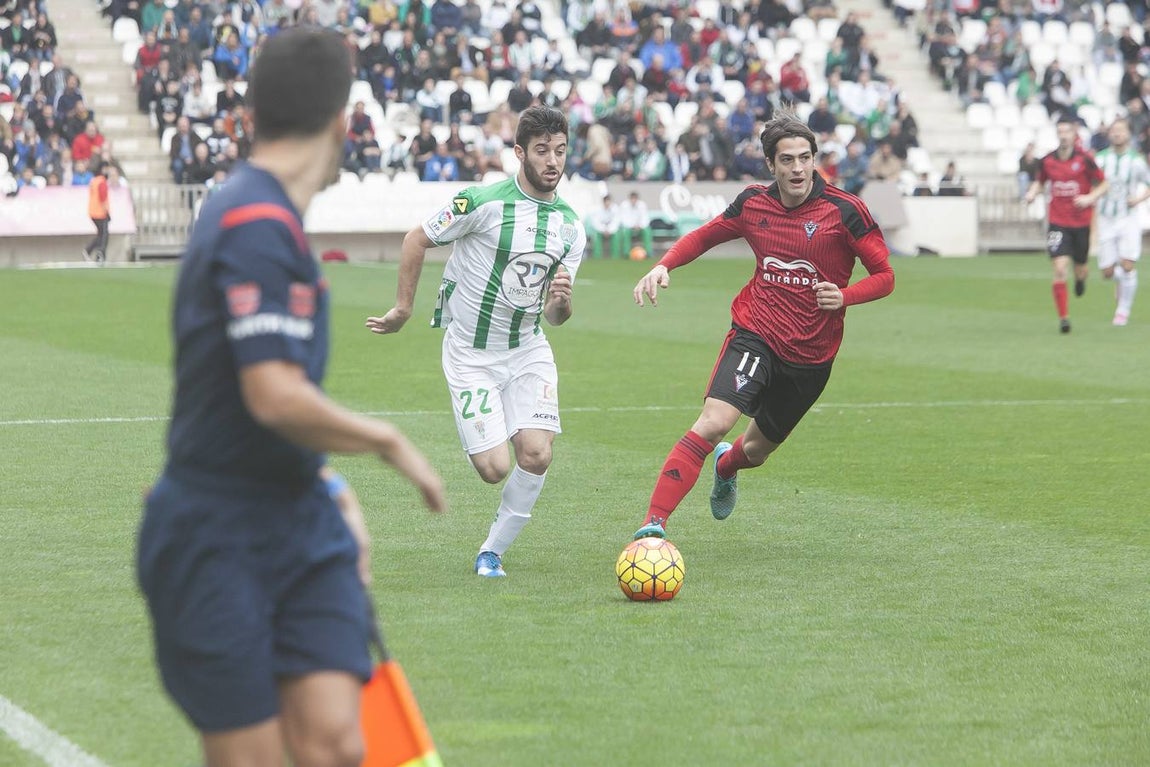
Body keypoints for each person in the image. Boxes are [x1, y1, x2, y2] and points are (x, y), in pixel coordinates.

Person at [135, 28, 446, 767]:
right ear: (344, 124)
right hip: (215, 530)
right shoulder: (253, 221)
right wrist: (385, 441)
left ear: (251, 116)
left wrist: (326, 483)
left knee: (339, 743)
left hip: (296, 518)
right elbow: (272, 394)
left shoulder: (267, 216)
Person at [629, 110, 895, 541]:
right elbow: (705, 235)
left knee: (753, 451)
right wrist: (664, 265)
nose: (797, 168)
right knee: (714, 421)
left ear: (815, 160)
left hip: (812, 358)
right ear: (771, 164)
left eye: (805, 158)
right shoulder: (754, 203)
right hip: (757, 334)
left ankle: (725, 466)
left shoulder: (845, 211)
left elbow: (886, 276)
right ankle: (653, 526)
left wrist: (845, 296)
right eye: (787, 160)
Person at [366, 105, 585, 578]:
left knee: (537, 452)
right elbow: (415, 239)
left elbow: (556, 316)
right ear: (519, 153)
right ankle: (488, 420)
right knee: (494, 468)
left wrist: (562, 303)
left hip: (528, 348)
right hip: (470, 354)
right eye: (542, 151)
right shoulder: (480, 202)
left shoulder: (570, 227)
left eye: (561, 151)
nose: (553, 161)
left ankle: (492, 551)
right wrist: (403, 309)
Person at [1025, 116, 1108, 333]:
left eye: (1067, 131)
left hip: (1080, 222)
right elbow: (1040, 181)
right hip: (1058, 222)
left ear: (1074, 135)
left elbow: (1103, 183)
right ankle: (1064, 318)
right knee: (1060, 268)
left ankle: (1080, 280)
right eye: (1060, 131)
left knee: (1080, 269)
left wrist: (1090, 198)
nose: (1063, 135)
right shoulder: (1047, 161)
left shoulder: (1085, 159)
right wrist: (1033, 193)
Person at [1092, 118, 1150, 326]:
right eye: (1114, 130)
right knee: (1108, 272)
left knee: (1127, 264)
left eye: (1121, 130)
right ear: (1109, 134)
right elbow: (1090, 183)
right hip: (1106, 218)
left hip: (1128, 218)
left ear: (1128, 134)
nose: (1117, 134)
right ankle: (1121, 282)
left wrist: (1138, 199)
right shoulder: (1100, 160)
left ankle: (1123, 311)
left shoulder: (1136, 160)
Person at [82, 161, 110, 262]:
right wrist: (106, 211)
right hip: (100, 212)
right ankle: (99, 253)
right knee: (104, 235)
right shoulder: (102, 181)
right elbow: (103, 197)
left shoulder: (94, 181)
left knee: (101, 234)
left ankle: (90, 251)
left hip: (93, 211)